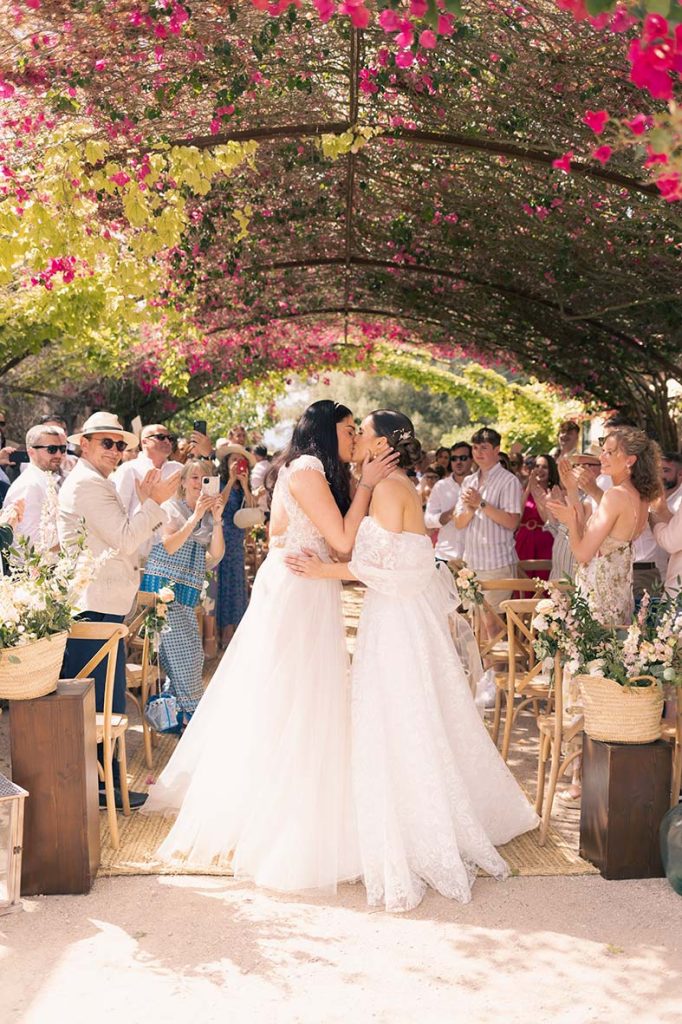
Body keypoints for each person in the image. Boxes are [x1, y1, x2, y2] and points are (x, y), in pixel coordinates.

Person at [285, 410, 538, 911]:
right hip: (394, 617)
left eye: (364, 434)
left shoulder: (388, 488)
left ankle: (417, 830)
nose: (355, 439)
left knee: (399, 721)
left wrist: (325, 571)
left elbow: (400, 569)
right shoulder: (390, 485)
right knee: (404, 719)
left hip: (398, 622)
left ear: (384, 446)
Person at [142, 400, 398, 890]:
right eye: (348, 430)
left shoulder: (314, 471)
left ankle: (297, 803)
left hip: (308, 586)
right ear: (325, 431)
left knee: (305, 696)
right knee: (291, 697)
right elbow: (343, 542)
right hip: (297, 593)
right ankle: (278, 815)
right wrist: (367, 482)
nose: (353, 440)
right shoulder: (305, 469)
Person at [58, 411, 181, 810]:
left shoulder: (96, 482)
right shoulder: (88, 486)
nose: (115, 451)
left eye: (120, 444)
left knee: (105, 706)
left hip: (101, 607)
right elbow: (128, 539)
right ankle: (101, 790)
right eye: (106, 443)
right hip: (92, 610)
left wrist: (148, 503)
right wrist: (155, 504)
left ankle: (106, 786)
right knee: (99, 709)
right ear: (85, 444)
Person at [548, 426, 661, 628]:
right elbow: (589, 532)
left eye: (610, 452)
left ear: (630, 460)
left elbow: (582, 554)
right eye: (603, 451)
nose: (602, 457)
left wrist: (570, 521)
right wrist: (572, 490)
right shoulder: (641, 496)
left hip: (598, 598)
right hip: (617, 596)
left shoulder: (615, 495)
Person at [141, 461, 226, 726]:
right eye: (195, 477)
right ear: (183, 482)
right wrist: (196, 517)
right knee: (187, 654)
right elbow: (168, 544)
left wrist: (218, 520)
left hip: (187, 588)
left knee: (189, 651)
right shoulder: (171, 508)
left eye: (206, 478)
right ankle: (193, 714)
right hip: (163, 587)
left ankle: (175, 715)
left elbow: (216, 555)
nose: (199, 483)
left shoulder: (209, 515)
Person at [454, 428, 523, 610]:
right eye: (475, 448)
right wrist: (470, 508)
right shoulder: (468, 481)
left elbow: (512, 521)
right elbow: (459, 523)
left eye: (483, 447)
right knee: (476, 623)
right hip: (471, 564)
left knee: (491, 626)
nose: (478, 453)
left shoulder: (509, 481)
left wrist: (481, 503)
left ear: (496, 449)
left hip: (497, 563)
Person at [215, 443, 258, 648]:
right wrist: (232, 480)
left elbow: (251, 511)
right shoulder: (221, 482)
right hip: (221, 539)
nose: (236, 464)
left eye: (239, 461)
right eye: (233, 460)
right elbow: (219, 505)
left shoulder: (243, 487)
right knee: (222, 585)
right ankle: (222, 632)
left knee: (236, 585)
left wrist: (245, 485)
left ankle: (235, 632)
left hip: (237, 542)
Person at [3, 424, 67, 555]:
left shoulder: (46, 480)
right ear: (31, 452)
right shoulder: (29, 485)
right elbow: (28, 544)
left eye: (62, 448)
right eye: (52, 449)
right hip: (35, 571)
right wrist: (71, 539)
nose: (59, 454)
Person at [424, 441, 473, 564]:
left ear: (472, 459)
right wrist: (450, 514)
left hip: (475, 557)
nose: (458, 462)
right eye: (454, 458)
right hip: (445, 555)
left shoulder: (482, 484)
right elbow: (428, 521)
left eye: (463, 458)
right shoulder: (441, 486)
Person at [515, 454, 560, 578]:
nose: (540, 470)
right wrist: (529, 487)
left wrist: (537, 495)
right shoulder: (523, 491)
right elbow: (517, 516)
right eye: (537, 466)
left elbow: (548, 520)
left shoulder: (554, 492)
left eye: (544, 467)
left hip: (545, 540)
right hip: (524, 540)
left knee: (543, 579)